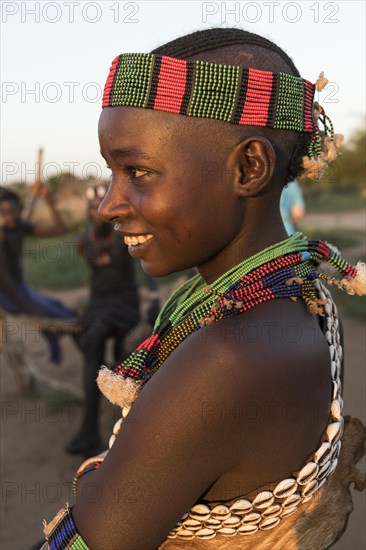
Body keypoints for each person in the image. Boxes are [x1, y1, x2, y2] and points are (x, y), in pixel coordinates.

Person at [39, 28, 365, 549]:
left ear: (248, 167)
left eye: (138, 171)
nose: (108, 206)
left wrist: (102, 480)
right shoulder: (300, 289)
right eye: (112, 173)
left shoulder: (228, 356)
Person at [66, 184, 159, 456]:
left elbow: (147, 270)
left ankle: (117, 429)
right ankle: (89, 430)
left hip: (124, 304)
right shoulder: (84, 241)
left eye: (101, 202)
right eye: (92, 205)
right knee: (93, 343)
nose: (98, 209)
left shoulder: (126, 235)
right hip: (98, 306)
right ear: (88, 211)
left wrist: (153, 296)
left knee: (118, 348)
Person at [0, 186, 78, 364]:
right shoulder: (2, 236)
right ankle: (53, 339)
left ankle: (52, 336)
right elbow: (4, 281)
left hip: (20, 288)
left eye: (13, 211)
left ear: (20, 209)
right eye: (4, 213)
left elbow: (59, 230)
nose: (9, 216)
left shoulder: (21, 228)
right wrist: (28, 309)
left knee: (60, 307)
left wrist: (48, 200)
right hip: (7, 294)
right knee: (66, 319)